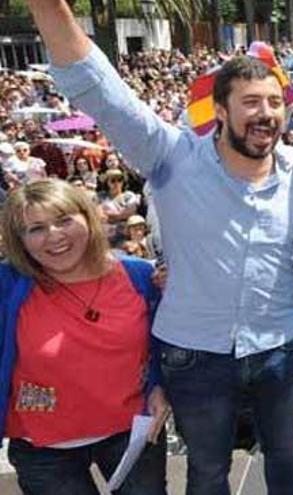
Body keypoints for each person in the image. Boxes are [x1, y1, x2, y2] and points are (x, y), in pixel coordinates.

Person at [27, 1, 293, 493]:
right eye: (250, 102)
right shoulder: (171, 156)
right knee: (206, 470)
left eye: (274, 102)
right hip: (195, 356)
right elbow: (104, 94)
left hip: (279, 348)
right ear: (220, 110)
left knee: (285, 458)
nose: (266, 114)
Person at [0, 178, 169, 494]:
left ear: (88, 218)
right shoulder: (8, 286)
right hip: (43, 452)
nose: (54, 236)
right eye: (35, 229)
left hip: (132, 436)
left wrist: (159, 383)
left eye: (64, 220)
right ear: (19, 240)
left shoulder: (139, 276)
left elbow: (163, 343)